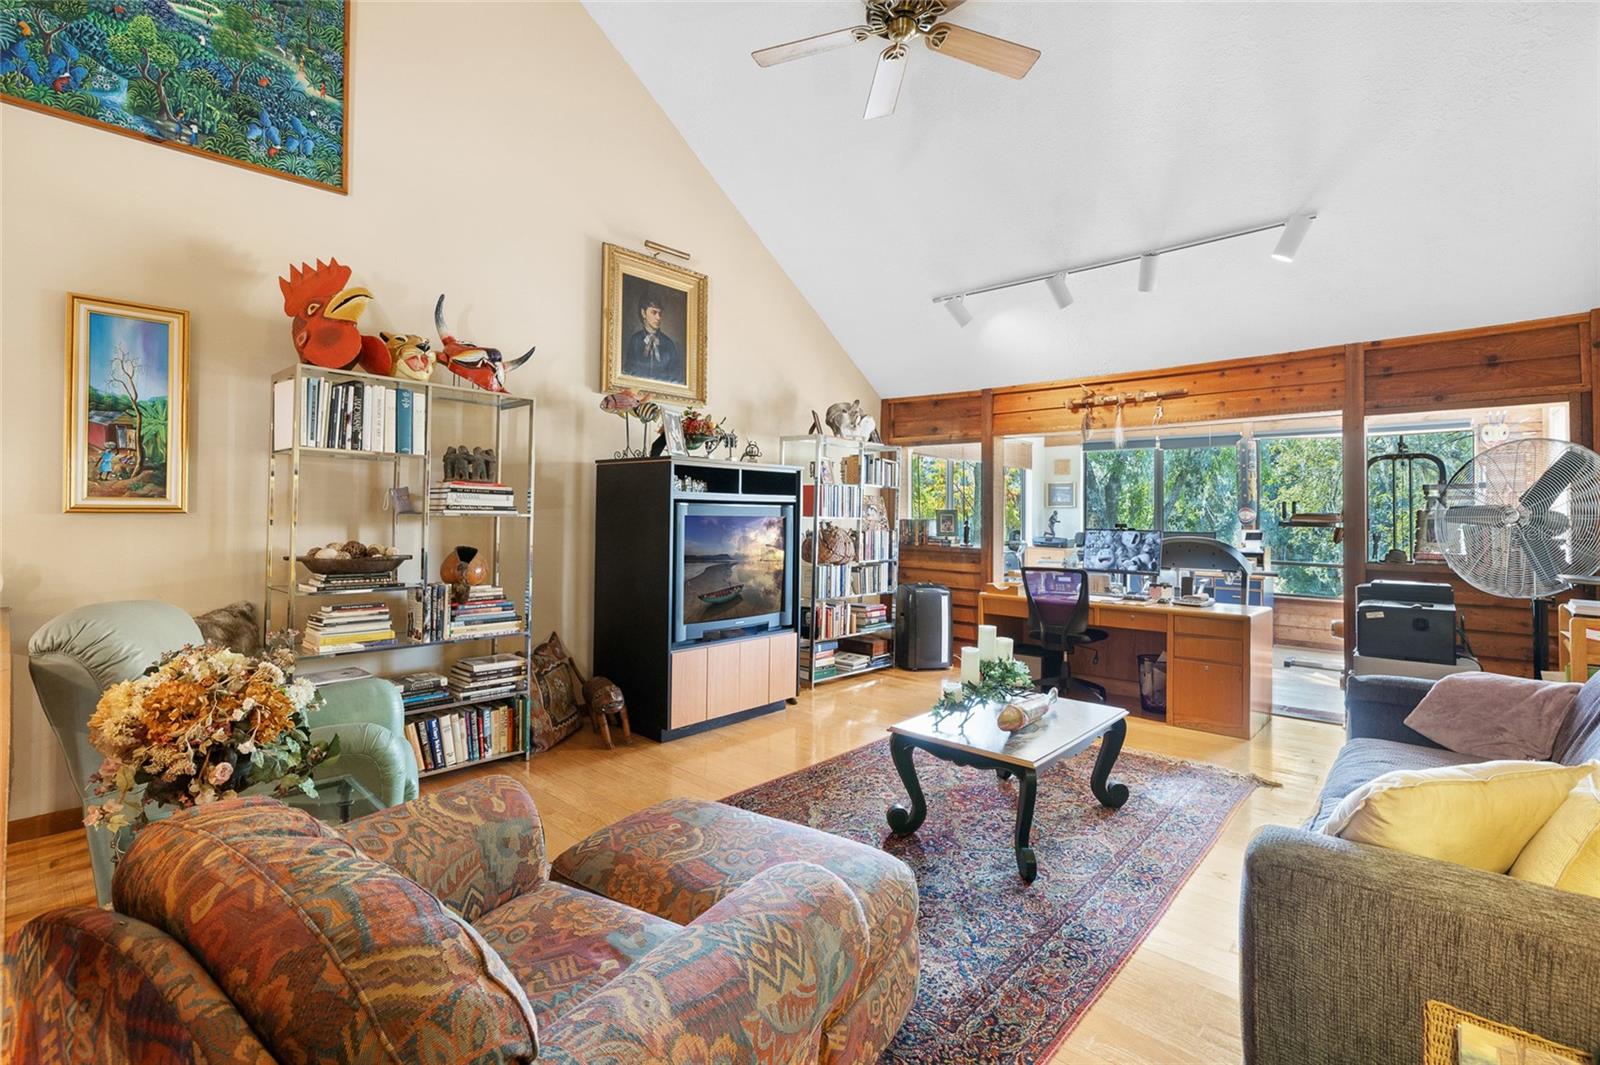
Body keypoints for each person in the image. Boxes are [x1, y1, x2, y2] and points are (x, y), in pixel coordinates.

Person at [622, 291, 683, 384]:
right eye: (653, 312)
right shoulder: (635, 340)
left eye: (660, 313)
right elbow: (627, 372)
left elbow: (676, 377)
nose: (658, 318)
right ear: (643, 313)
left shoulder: (668, 344)